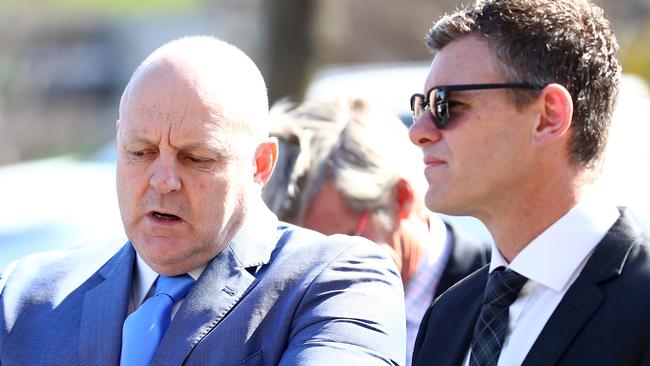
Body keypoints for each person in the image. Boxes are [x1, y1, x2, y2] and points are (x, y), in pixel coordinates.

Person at [0, 36, 406, 365]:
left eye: (197, 159)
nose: (163, 181)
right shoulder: (25, 296)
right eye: (140, 152)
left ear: (260, 164)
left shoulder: (339, 282)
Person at [408, 0, 650, 365]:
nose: (418, 131)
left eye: (445, 104)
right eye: (420, 105)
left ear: (548, 117)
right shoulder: (447, 316)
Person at [263, 97, 489, 365]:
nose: (319, 272)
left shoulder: (499, 293)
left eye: (343, 246)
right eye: (297, 254)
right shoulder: (273, 309)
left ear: (401, 199)